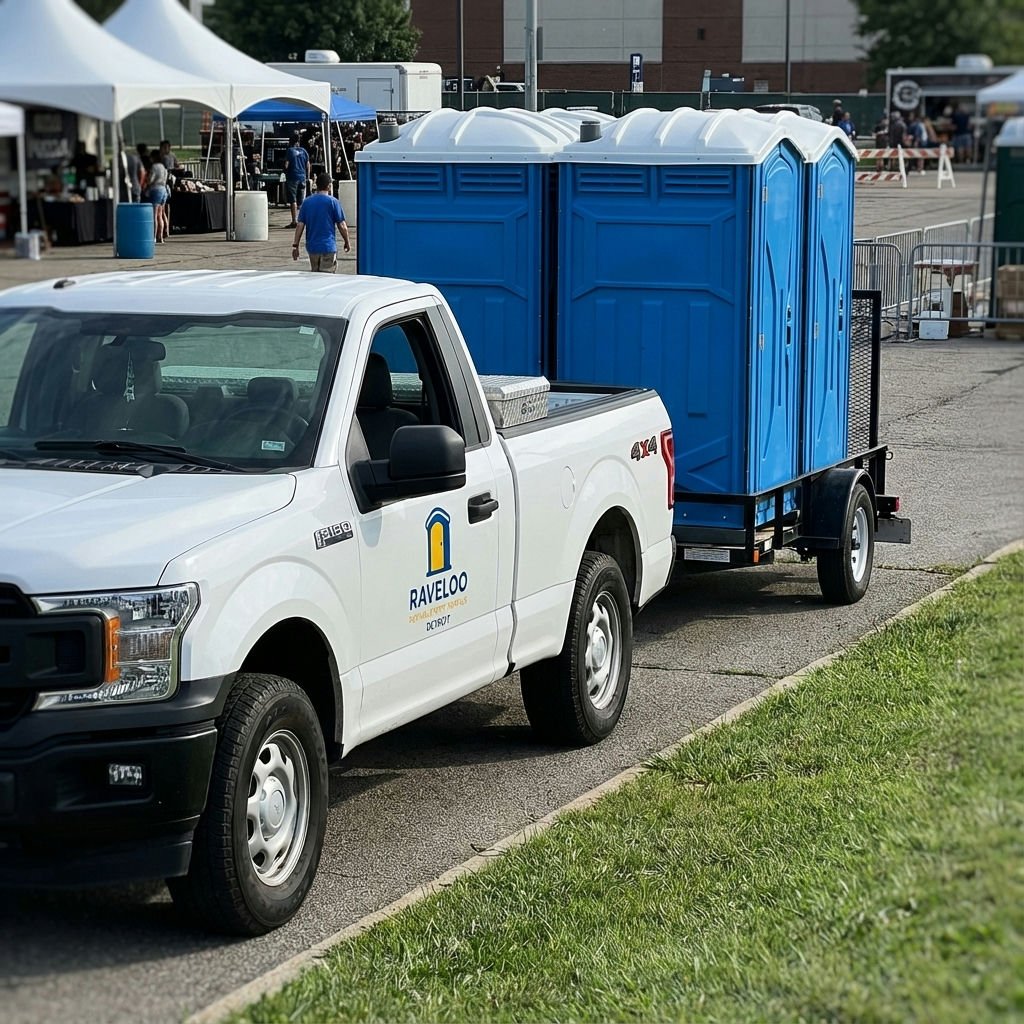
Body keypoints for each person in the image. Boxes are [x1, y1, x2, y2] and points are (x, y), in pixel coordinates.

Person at [291, 172, 350, 273]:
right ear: (329, 186)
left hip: (312, 247)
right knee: (326, 279)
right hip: (328, 247)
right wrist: (347, 241)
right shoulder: (333, 202)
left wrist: (295, 245)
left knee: (315, 277)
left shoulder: (307, 202)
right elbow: (342, 225)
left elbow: (300, 225)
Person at [283, 132, 309, 229]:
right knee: (301, 201)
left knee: (292, 199)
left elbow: (286, 164)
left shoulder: (290, 151)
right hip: (302, 176)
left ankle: (294, 220)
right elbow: (308, 165)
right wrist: (307, 175)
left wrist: (285, 171)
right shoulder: (304, 151)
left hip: (292, 177)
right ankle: (302, 220)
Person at [145, 156, 170, 244]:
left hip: (156, 190)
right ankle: (161, 236)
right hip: (164, 190)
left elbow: (151, 179)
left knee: (154, 215)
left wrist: (147, 182)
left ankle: (154, 237)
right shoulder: (163, 167)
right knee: (161, 215)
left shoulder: (154, 167)